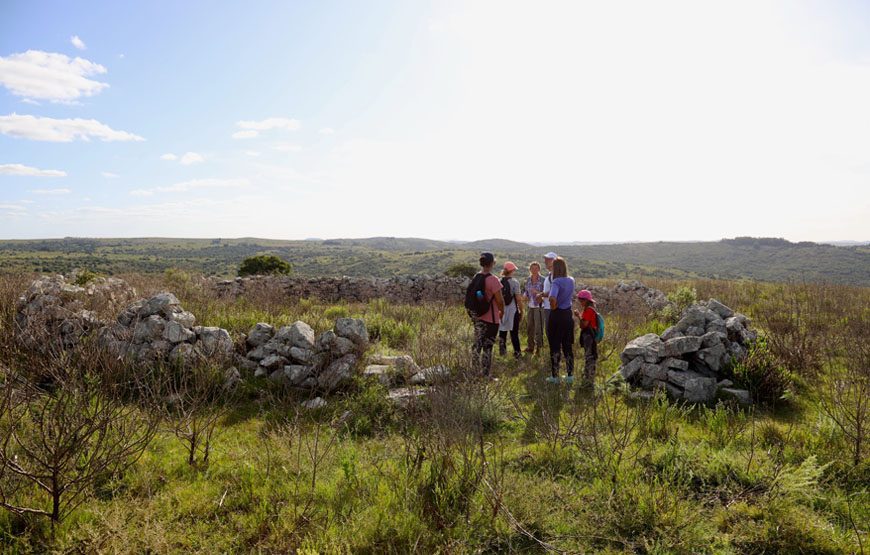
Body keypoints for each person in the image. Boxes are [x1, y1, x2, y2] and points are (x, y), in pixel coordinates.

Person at [470, 252, 504, 377]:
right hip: (491, 319)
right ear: (492, 263)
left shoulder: (476, 277)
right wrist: (502, 312)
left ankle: (474, 372)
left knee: (477, 345)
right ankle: (485, 375)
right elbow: (500, 301)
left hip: (478, 317)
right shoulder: (493, 279)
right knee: (488, 347)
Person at [545, 257, 575, 384]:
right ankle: (569, 375)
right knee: (567, 345)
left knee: (555, 345)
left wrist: (554, 306)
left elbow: (552, 297)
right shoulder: (571, 280)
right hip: (568, 314)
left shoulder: (556, 282)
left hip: (557, 315)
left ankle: (555, 376)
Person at [573, 290, 599, 387]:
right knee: (590, 356)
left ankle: (589, 379)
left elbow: (584, 324)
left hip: (589, 337)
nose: (580, 302)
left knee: (589, 357)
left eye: (581, 300)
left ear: (586, 300)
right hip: (589, 336)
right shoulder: (589, 309)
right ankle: (588, 377)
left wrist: (578, 316)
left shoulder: (588, 310)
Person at [498, 261, 523, 358]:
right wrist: (521, 310)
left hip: (501, 310)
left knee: (502, 332)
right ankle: (517, 354)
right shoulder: (515, 282)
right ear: (512, 270)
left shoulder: (499, 281)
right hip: (512, 310)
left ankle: (502, 353)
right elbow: (518, 299)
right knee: (514, 334)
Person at [522, 262, 545, 355]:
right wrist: (524, 296)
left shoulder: (543, 279)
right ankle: (530, 347)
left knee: (538, 329)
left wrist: (537, 292)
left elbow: (546, 292)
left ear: (539, 269)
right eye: (532, 268)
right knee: (529, 328)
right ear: (530, 269)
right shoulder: (528, 279)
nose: (534, 270)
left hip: (539, 307)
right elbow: (526, 292)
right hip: (530, 306)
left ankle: (538, 349)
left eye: (536, 268)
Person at [536, 252, 557, 333]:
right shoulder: (550, 275)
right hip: (548, 307)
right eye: (545, 259)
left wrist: (541, 294)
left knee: (551, 333)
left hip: (551, 308)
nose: (545, 261)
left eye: (547, 259)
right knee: (550, 332)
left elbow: (553, 291)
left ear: (553, 261)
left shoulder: (555, 275)